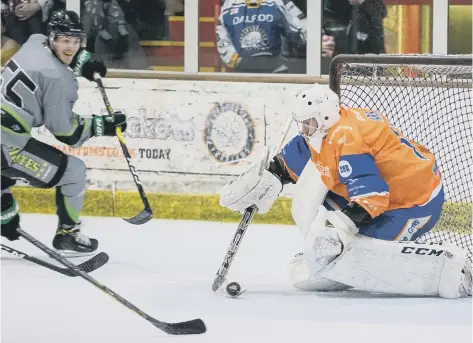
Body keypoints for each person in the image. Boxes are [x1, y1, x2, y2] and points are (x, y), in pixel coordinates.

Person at [219, 83, 472, 298]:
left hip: (414, 204)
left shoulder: (348, 140)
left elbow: (371, 198)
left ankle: (452, 272)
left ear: (325, 116)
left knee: (356, 256)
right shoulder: (326, 128)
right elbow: (300, 155)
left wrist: (335, 232)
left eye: (308, 123)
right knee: (319, 259)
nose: (303, 129)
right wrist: (272, 175)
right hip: (393, 193)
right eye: (301, 123)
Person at [0, 10, 127, 255]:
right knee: (73, 171)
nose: (70, 47)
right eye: (64, 40)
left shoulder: (35, 41)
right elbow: (65, 131)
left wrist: (82, 61)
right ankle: (68, 234)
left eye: (76, 41)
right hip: (7, 144)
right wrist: (103, 125)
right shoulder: (58, 79)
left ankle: (3, 216)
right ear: (53, 39)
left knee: (4, 184)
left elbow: (60, 57)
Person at [216, 0, 306, 73]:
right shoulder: (229, 4)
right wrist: (237, 60)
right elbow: (222, 35)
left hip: (276, 69)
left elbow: (302, 26)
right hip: (243, 71)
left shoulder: (279, 2)